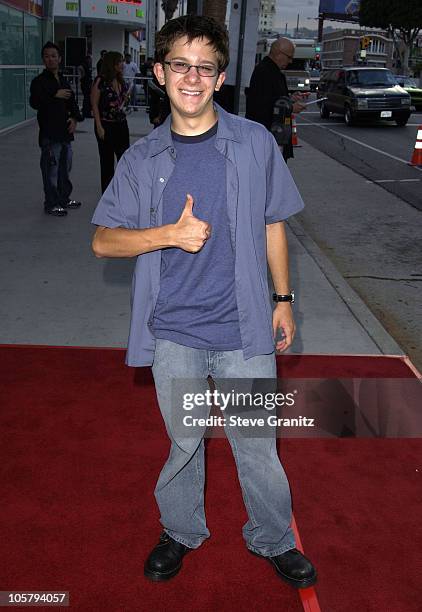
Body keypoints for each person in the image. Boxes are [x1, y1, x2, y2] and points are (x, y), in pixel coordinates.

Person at [91, 15, 317, 589]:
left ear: (219, 79)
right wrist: (167, 233)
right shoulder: (142, 160)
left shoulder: (254, 143)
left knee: (256, 445)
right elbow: (103, 240)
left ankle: (272, 537)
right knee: (185, 443)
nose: (192, 77)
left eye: (205, 67)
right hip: (173, 332)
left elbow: (273, 224)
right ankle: (180, 529)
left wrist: (284, 298)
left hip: (243, 328)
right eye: (180, 65)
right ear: (161, 73)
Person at [30, 41, 82, 217]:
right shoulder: (39, 82)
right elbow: (35, 102)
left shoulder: (63, 79)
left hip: (65, 133)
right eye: (47, 56)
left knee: (64, 168)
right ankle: (51, 203)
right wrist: (54, 95)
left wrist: (75, 119)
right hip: (50, 134)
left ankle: (64, 199)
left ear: (59, 59)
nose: (50, 59)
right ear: (43, 60)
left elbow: (72, 102)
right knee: (51, 170)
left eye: (53, 56)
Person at [245, 38, 306, 162]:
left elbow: (274, 98)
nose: (290, 61)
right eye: (289, 57)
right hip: (269, 136)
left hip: (275, 136)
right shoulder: (264, 71)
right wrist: (291, 107)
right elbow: (261, 105)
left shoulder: (272, 71)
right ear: (278, 53)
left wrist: (290, 99)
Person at [91, 51, 130, 193]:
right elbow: (94, 104)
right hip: (105, 124)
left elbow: (121, 101)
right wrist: (99, 126)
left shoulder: (120, 81)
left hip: (121, 124)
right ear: (112, 64)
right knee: (107, 162)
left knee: (124, 159)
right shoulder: (100, 81)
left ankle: (122, 192)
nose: (122, 64)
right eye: (120, 61)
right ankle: (107, 195)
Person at [78, 54, 93, 118]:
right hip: (85, 84)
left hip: (87, 83)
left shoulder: (86, 66)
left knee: (87, 98)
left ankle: (86, 111)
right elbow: (82, 76)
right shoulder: (83, 66)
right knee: (87, 98)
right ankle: (86, 112)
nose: (90, 61)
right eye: (89, 59)